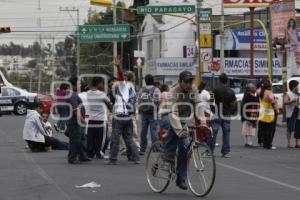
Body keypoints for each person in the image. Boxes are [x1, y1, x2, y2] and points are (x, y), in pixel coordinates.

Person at [163, 71, 201, 190]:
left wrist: (203, 122)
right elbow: (173, 113)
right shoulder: (173, 92)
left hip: (184, 117)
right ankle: (168, 155)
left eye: (191, 81)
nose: (189, 84)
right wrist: (180, 131)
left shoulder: (193, 90)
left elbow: (199, 104)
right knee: (177, 133)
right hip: (168, 114)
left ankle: (181, 177)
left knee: (184, 147)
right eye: (186, 82)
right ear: (180, 82)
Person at [108, 56, 140, 165]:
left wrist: (118, 67)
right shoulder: (133, 88)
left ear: (127, 78)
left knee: (115, 138)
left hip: (119, 116)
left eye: (124, 76)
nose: (119, 79)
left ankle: (112, 159)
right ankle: (135, 157)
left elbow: (121, 77)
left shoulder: (124, 85)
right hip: (129, 117)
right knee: (129, 138)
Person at [209, 73, 237, 158]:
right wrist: (231, 110)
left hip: (216, 113)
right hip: (226, 114)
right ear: (226, 80)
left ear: (219, 80)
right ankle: (226, 152)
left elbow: (210, 101)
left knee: (213, 133)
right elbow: (234, 103)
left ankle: (210, 151)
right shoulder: (231, 91)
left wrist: (212, 109)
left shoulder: (215, 90)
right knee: (226, 133)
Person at [65, 77, 91, 164]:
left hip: (76, 121)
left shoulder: (73, 94)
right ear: (73, 85)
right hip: (74, 121)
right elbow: (75, 110)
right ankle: (72, 158)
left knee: (79, 139)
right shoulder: (72, 95)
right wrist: (82, 120)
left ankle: (82, 156)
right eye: (79, 84)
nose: (80, 86)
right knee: (75, 140)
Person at [86, 77, 112, 159]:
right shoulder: (102, 94)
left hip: (91, 119)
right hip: (101, 119)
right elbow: (109, 104)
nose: (103, 85)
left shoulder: (88, 93)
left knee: (91, 137)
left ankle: (90, 153)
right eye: (102, 83)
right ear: (99, 83)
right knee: (101, 138)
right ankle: (99, 153)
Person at [138, 74, 161, 155]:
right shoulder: (156, 89)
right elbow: (158, 101)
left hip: (144, 113)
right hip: (153, 113)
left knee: (143, 131)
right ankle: (156, 148)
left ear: (145, 81)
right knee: (154, 131)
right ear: (153, 80)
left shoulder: (142, 90)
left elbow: (139, 101)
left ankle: (142, 149)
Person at [257, 80, 278, 150]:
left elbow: (257, 91)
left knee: (263, 128)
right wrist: (276, 108)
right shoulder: (269, 93)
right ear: (269, 86)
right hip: (269, 112)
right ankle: (268, 144)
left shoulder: (260, 91)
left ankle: (263, 143)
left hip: (262, 111)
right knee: (270, 129)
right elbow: (272, 101)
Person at [241, 83, 260, 147]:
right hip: (250, 114)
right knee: (250, 129)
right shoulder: (250, 96)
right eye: (253, 87)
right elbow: (256, 101)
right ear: (250, 89)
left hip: (247, 115)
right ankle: (249, 142)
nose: (255, 88)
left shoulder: (246, 95)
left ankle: (247, 142)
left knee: (247, 128)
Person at [284, 80, 299, 148]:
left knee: (297, 128)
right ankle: (289, 143)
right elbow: (285, 102)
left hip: (298, 113)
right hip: (291, 113)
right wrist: (292, 101)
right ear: (293, 87)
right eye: (297, 86)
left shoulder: (298, 94)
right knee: (290, 129)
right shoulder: (288, 94)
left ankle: (297, 143)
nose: (298, 87)